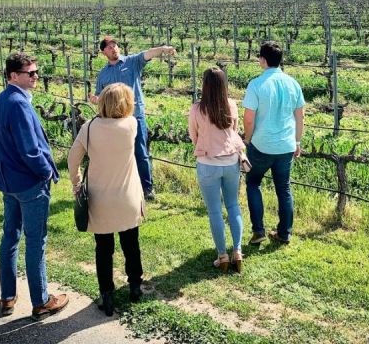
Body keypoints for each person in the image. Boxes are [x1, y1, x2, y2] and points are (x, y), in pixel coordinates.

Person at [0, 52, 69, 321]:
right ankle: (41, 300)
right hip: (29, 183)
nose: (37, 77)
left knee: (10, 237)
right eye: (31, 73)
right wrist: (46, 172)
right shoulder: (19, 104)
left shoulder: (1, 100)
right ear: (14, 76)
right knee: (36, 240)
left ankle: (7, 296)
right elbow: (30, 149)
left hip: (8, 180)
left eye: (36, 72)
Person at [70, 83, 145, 317]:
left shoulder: (89, 128)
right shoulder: (131, 125)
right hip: (127, 197)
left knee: (103, 249)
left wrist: (76, 183)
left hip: (100, 198)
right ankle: (134, 285)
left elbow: (73, 159)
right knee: (131, 243)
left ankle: (107, 294)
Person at [89, 36, 176, 201]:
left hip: (135, 117)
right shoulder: (103, 74)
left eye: (115, 45)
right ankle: (123, 186)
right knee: (118, 155)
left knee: (140, 153)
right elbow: (100, 97)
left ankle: (147, 188)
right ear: (103, 52)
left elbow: (147, 54)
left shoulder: (132, 62)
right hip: (113, 122)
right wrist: (95, 99)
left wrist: (163, 49)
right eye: (109, 47)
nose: (114, 48)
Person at [243, 41, 305, 246]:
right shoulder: (293, 83)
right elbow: (300, 116)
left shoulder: (256, 84)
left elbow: (249, 118)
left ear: (262, 59)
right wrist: (297, 141)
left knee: (253, 182)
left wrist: (248, 139)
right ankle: (284, 233)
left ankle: (258, 230)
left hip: (261, 144)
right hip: (286, 145)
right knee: (284, 189)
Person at [188, 68, 245, 273]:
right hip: (231, 162)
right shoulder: (231, 105)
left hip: (208, 163)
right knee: (233, 206)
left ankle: (222, 256)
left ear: (204, 84)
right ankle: (237, 251)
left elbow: (193, 137)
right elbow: (234, 131)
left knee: (214, 211)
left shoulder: (197, 109)